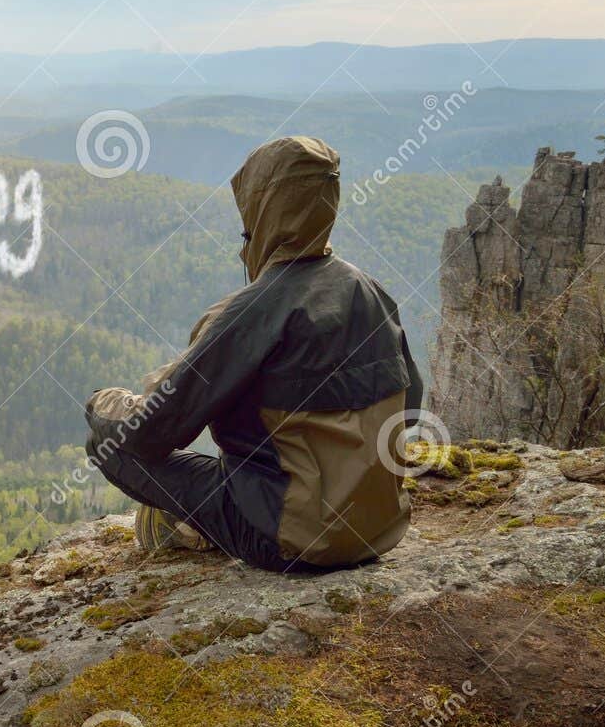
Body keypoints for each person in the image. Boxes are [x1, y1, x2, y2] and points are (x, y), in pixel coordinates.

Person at [84, 135, 422, 573]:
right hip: (379, 530)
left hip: (288, 538)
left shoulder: (253, 311)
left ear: (260, 209)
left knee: (108, 445)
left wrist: (103, 403)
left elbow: (152, 430)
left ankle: (189, 526)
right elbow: (409, 411)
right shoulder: (370, 290)